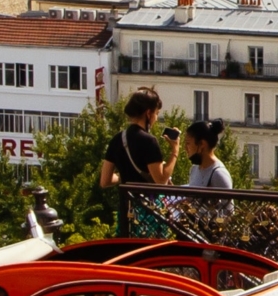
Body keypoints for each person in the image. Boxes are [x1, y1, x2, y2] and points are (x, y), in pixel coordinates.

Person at [98, 87, 177, 233]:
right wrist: (174, 152)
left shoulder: (116, 139)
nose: (156, 118)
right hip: (149, 210)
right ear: (148, 113)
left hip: (127, 210)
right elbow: (160, 180)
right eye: (156, 113)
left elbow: (105, 181)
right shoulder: (149, 141)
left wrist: (123, 175)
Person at [181, 118, 234, 190]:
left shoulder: (219, 174)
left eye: (188, 143)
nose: (185, 148)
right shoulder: (194, 169)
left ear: (202, 144)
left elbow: (227, 201)